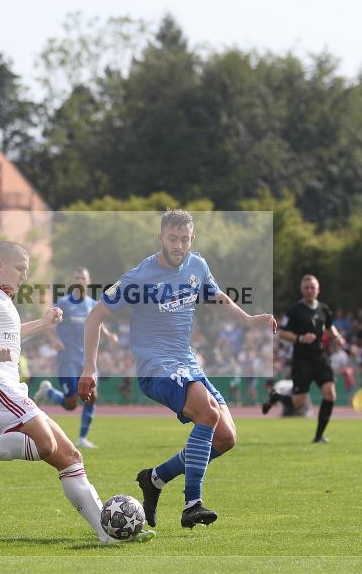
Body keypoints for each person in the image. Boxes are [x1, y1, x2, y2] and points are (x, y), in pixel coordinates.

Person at [0, 241, 153, 545]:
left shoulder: (4, 299)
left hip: (8, 385)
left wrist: (43, 323)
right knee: (48, 444)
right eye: (20, 268)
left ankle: (107, 535)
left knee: (70, 457)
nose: (25, 275)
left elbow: (11, 333)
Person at [79, 210, 277, 530]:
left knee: (225, 437)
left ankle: (154, 479)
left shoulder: (197, 265)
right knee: (209, 415)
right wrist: (90, 368)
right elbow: (94, 317)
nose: (179, 245)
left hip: (186, 362)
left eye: (185, 239)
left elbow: (220, 298)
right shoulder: (139, 277)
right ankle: (192, 503)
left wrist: (251, 320)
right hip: (155, 366)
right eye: (172, 238)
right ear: (161, 238)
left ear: (192, 240)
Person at [35, 267, 119, 449]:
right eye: (77, 277)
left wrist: (108, 335)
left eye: (83, 278)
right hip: (68, 359)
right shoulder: (64, 303)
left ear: (88, 282)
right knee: (71, 404)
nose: (80, 280)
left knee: (92, 396)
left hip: (87, 358)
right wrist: (54, 341)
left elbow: (97, 323)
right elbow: (47, 324)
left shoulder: (91, 304)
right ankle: (48, 391)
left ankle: (82, 438)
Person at [274, 275, 346, 443]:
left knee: (330, 394)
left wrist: (337, 338)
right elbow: (282, 332)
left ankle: (318, 436)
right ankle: (276, 396)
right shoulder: (295, 310)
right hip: (301, 360)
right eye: (306, 287)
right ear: (302, 290)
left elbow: (329, 327)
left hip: (319, 358)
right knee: (298, 403)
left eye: (312, 287)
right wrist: (300, 338)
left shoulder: (324, 309)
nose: (309, 290)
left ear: (318, 289)